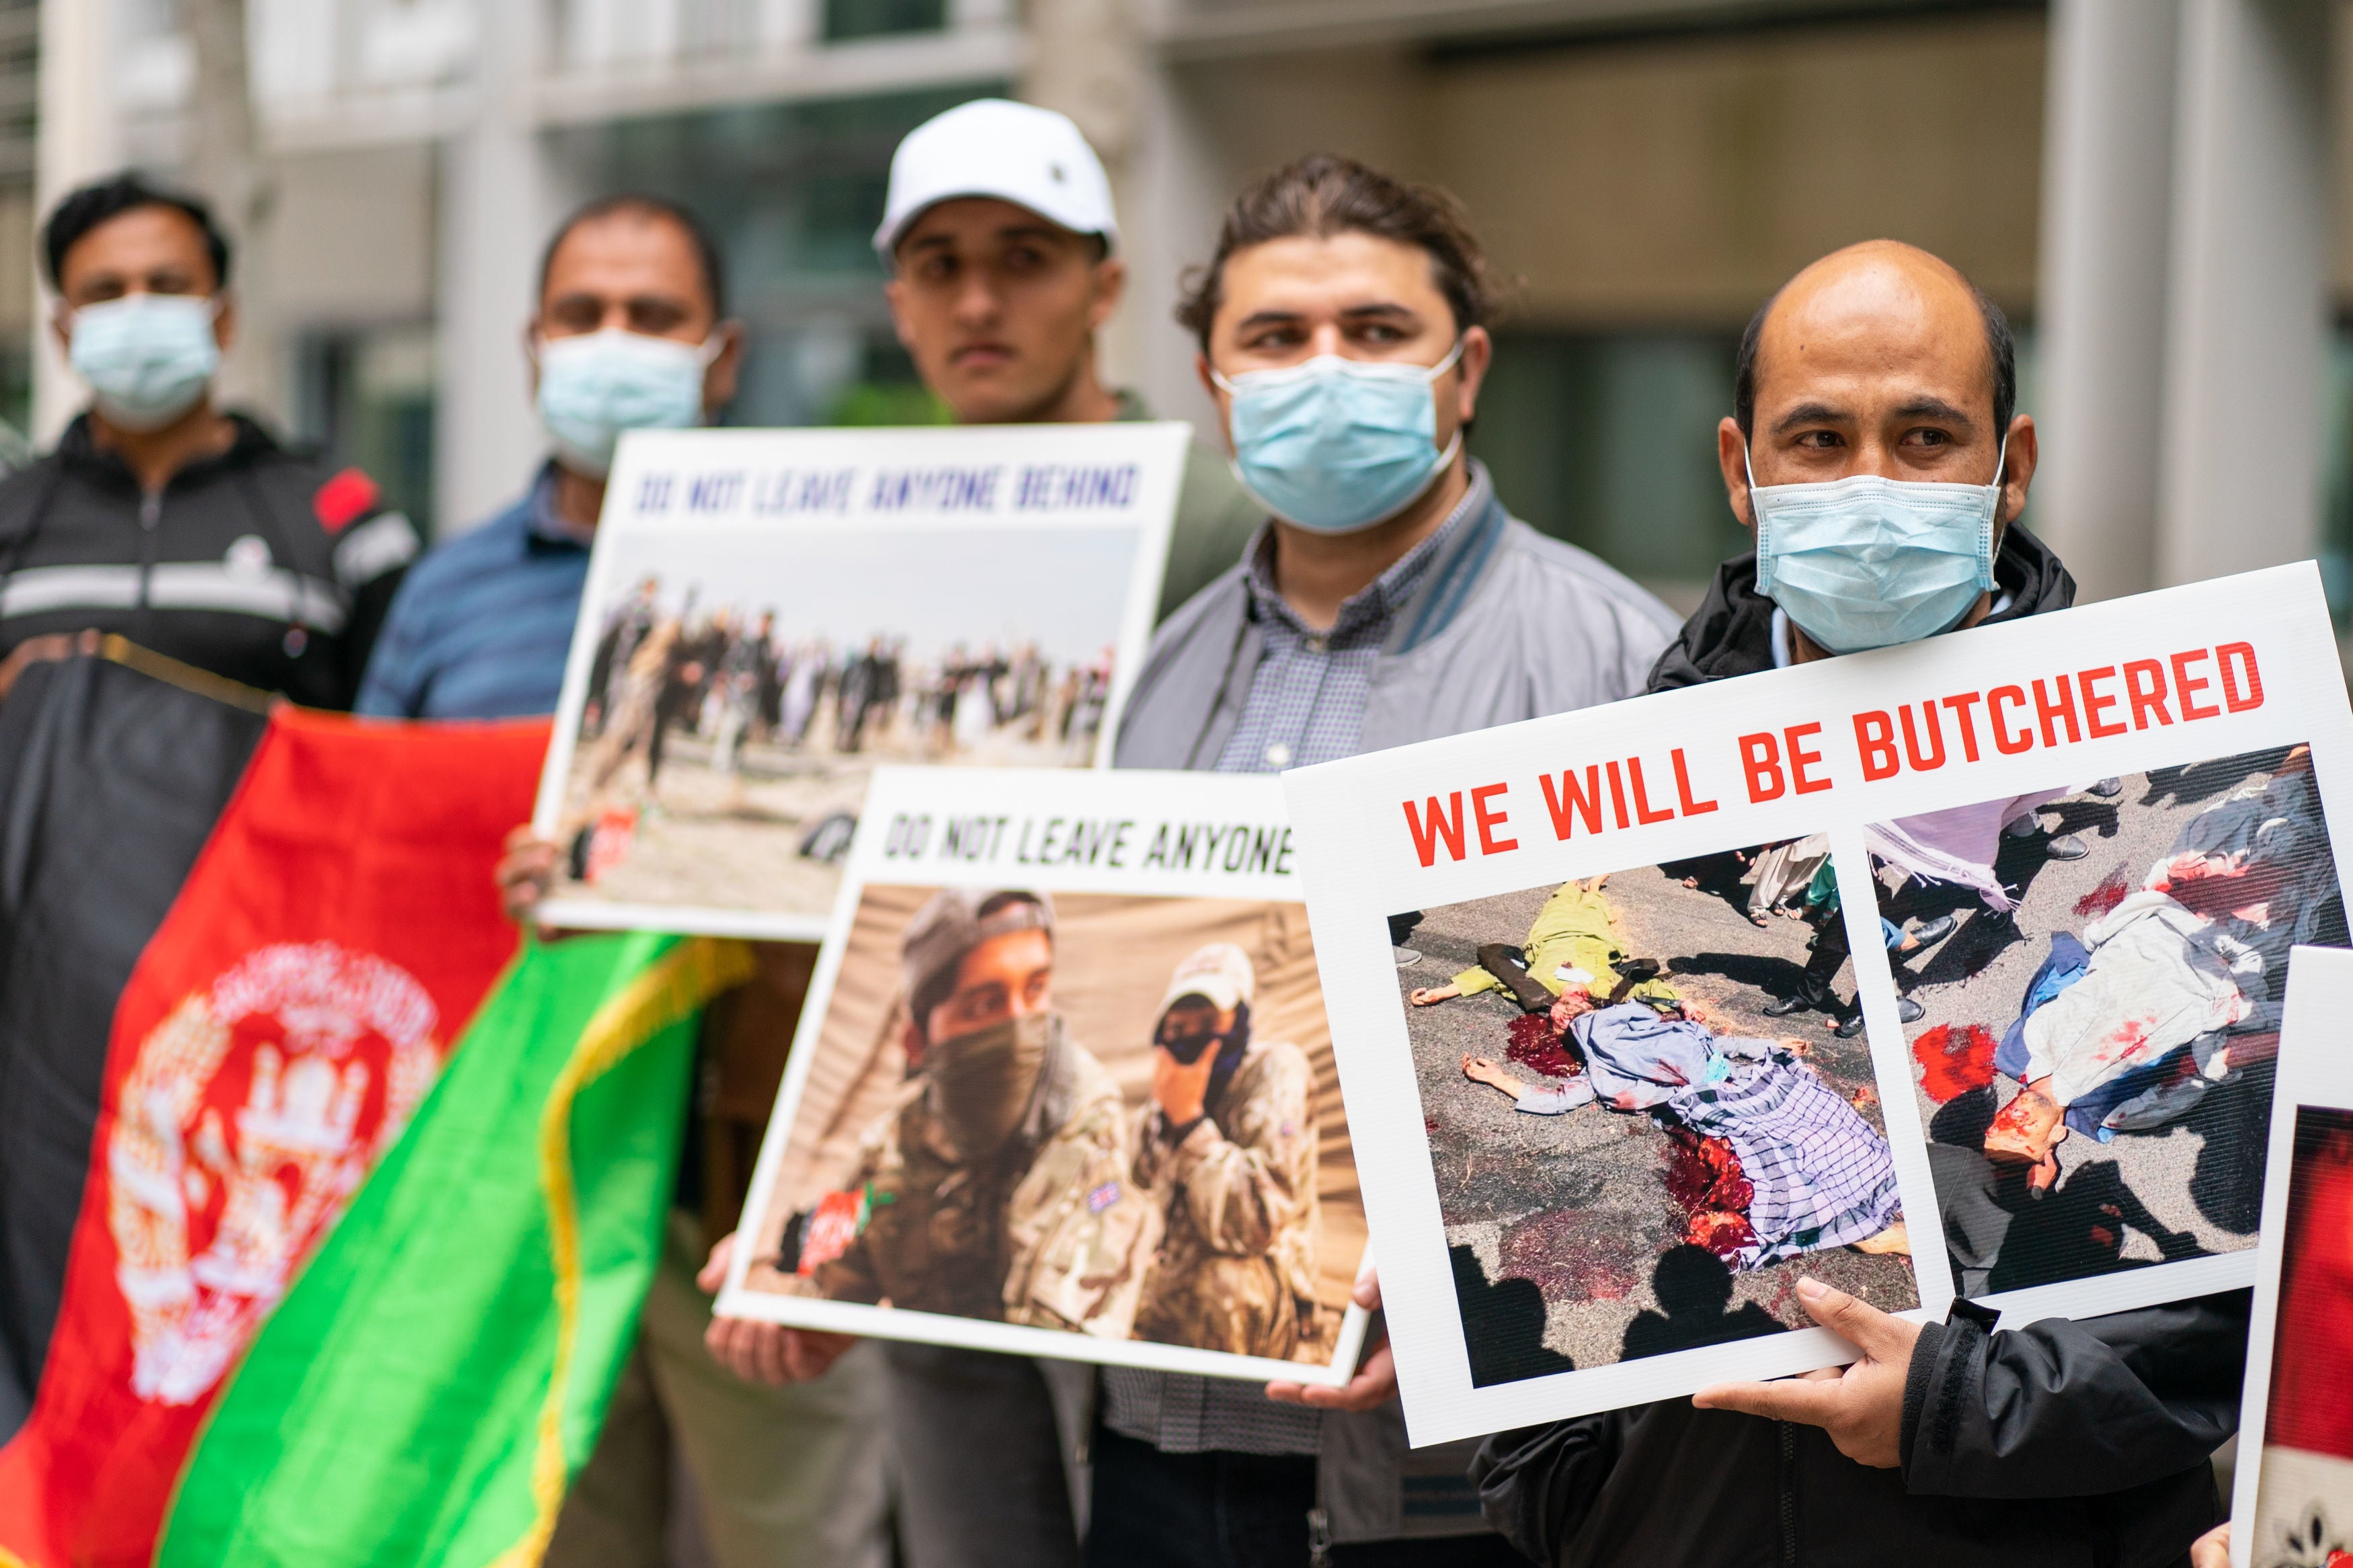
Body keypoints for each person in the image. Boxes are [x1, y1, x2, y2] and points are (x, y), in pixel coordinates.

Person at [1472, 239, 2246, 1567]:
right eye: (1818, 437)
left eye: (1925, 434)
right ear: (1737, 467)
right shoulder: (1602, 789)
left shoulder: (2164, 776)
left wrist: (1957, 1407)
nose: (1870, 482)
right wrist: (1563, 1468)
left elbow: (2220, 1282)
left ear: (2010, 470)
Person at [370, 195, 886, 1568]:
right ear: (532, 344)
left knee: (801, 1538)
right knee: (549, 1534)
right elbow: (389, 875)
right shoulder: (445, 595)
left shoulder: (830, 577)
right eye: (583, 315)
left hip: (746, 1167)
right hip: (532, 1181)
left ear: (720, 357)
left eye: (652, 318)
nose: (615, 343)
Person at [0, 173, 415, 708]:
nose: (137, 311)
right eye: (105, 292)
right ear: (62, 331)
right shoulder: (12, 515)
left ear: (223, 319)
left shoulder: (342, 526)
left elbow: (401, 740)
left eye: (167, 285)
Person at [873, 98, 1263, 623]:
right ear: (901, 307)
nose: (977, 306)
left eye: (1023, 259)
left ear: (1104, 291)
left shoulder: (1215, 523)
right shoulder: (870, 520)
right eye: (940, 266)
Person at [791, 889, 1158, 1330]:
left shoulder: (1086, 1118)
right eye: (985, 1004)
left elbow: (1059, 1331)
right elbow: (820, 1290)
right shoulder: (893, 1146)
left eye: (1036, 988)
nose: (1021, 1026)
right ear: (918, 1043)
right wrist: (774, 1309)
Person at [1458, 987, 1908, 1270]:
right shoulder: (1602, 1069)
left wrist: (1767, 1044)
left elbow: (1716, 1044)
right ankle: (1870, 1229)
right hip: (1717, 1107)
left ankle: (1890, 1206)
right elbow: (1556, 1100)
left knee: (1831, 1128)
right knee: (1792, 1152)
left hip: (1747, 1083)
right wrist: (1498, 1078)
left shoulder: (1657, 1022)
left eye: (1572, 1002)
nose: (1566, 1008)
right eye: (1559, 1013)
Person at [1128, 943, 1325, 1362]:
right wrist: (1167, 1113)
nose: (1191, 1039)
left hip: (1260, 1299)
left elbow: (1252, 1223)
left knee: (1222, 1282)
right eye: (1178, 1030)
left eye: (1207, 1023)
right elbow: (1137, 1187)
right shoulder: (1170, 1093)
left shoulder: (1275, 1069)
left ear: (1238, 1021)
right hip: (1171, 1290)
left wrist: (1190, 1123)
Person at [1405, 876, 1676, 1014]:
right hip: (1596, 935)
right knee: (1596, 907)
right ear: (1590, 1004)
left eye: (1565, 1009)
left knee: (1561, 900)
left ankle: (1575, 883)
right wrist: (1681, 1005)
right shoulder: (1605, 990)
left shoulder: (1538, 990)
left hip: (1551, 932)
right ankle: (1593, 886)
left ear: (1557, 1006)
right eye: (1581, 1009)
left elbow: (1491, 975)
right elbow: (1648, 985)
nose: (1574, 1002)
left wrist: (1441, 992)